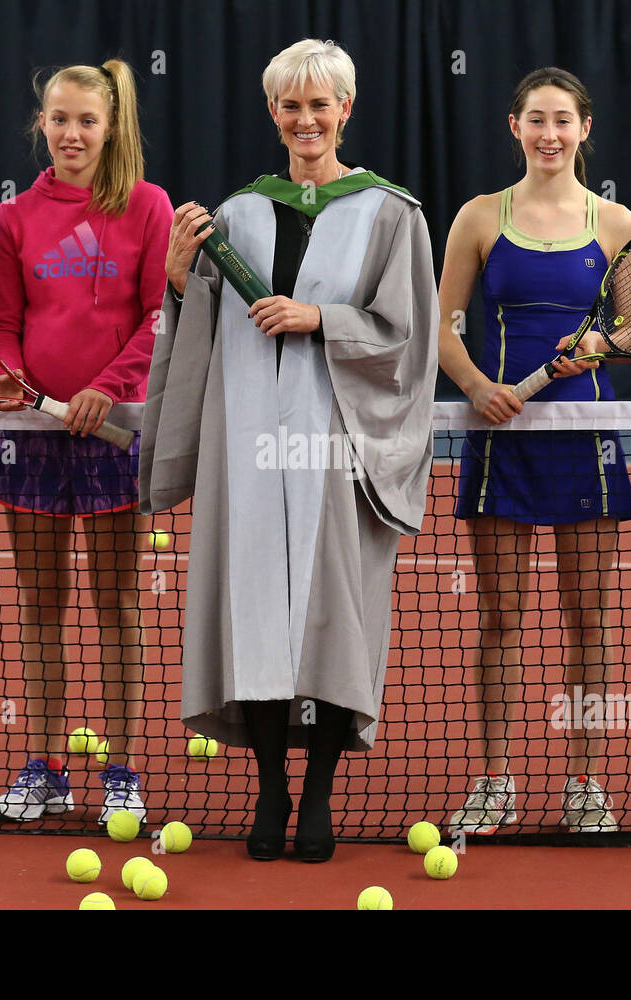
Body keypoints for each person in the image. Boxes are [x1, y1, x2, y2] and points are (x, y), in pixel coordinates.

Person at [140, 38, 438, 862]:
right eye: (291, 105)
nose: (306, 119)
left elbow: (408, 342)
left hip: (337, 447)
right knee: (256, 619)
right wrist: (176, 279)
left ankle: (318, 799)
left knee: (332, 625)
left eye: (321, 104)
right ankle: (270, 789)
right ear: (273, 114)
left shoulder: (389, 213)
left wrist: (321, 320)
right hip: (248, 446)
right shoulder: (237, 214)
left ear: (346, 109)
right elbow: (201, 328)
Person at [437, 67, 631, 835]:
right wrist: (476, 388)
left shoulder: (617, 223)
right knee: (500, 619)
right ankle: (495, 780)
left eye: (563, 120)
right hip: (500, 441)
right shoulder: (478, 218)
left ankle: (584, 782)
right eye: (536, 120)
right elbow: (444, 325)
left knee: (589, 620)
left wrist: (600, 340)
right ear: (514, 128)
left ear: (585, 128)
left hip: (584, 441)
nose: (549, 134)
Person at [0, 62, 171, 825]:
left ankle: (121, 771)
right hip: (32, 436)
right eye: (59, 119)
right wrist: (11, 378)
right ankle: (47, 768)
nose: (71, 133)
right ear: (42, 124)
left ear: (111, 127)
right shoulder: (13, 219)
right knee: (41, 609)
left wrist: (107, 388)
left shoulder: (149, 207)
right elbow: (0, 324)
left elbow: (159, 317)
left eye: (87, 121)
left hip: (117, 432)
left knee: (119, 604)